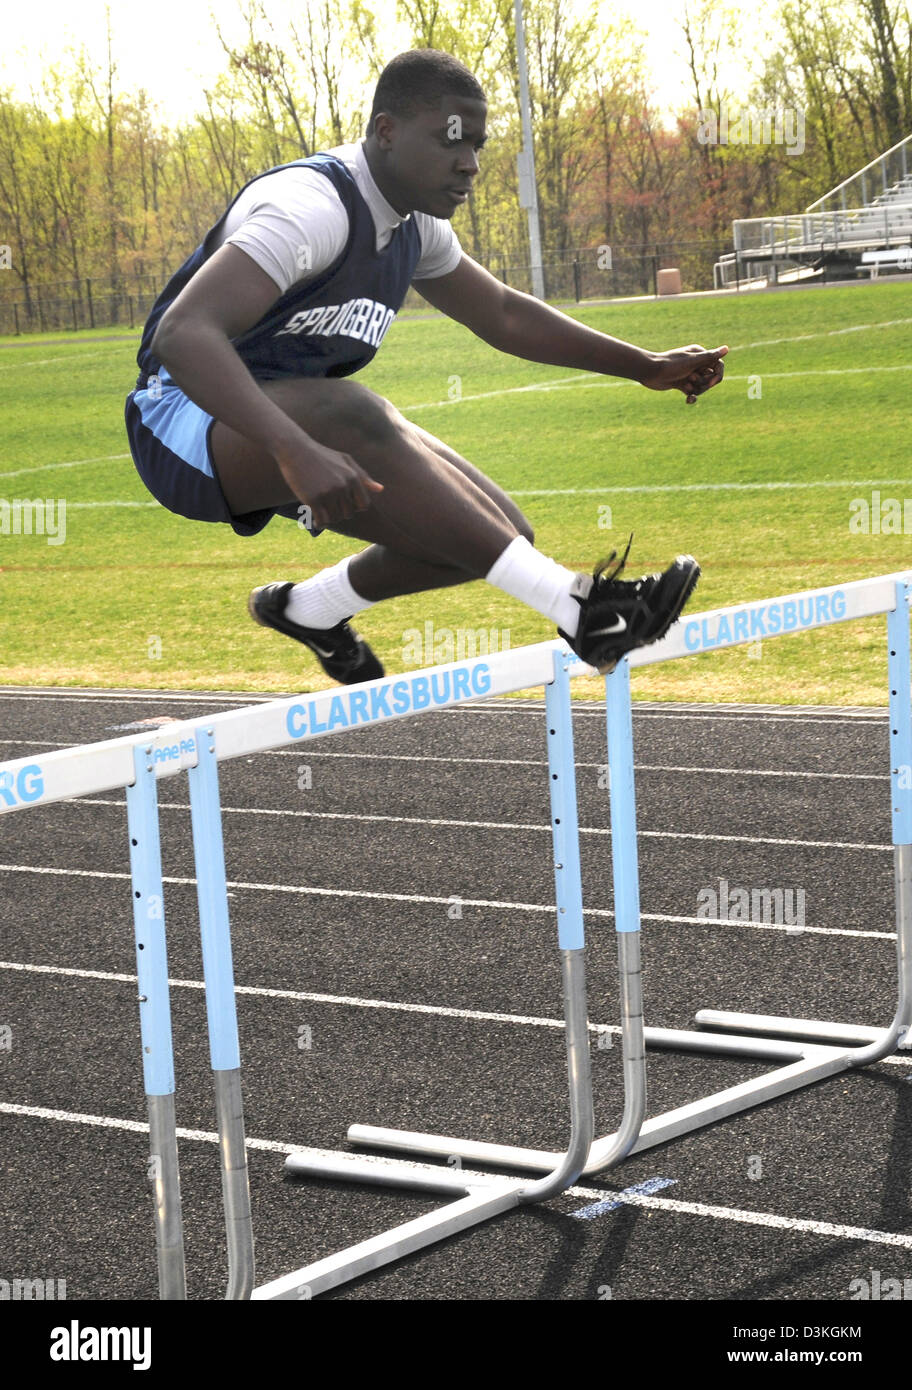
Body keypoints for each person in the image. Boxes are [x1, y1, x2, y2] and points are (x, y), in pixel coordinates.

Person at [125, 48, 727, 684]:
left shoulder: (416, 225)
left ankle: (309, 609)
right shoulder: (313, 208)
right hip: (183, 424)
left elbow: (503, 314)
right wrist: (293, 448)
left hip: (288, 424)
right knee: (361, 413)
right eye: (451, 141)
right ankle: (585, 611)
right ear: (386, 131)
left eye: (478, 146)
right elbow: (183, 334)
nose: (469, 163)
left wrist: (645, 366)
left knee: (491, 535)